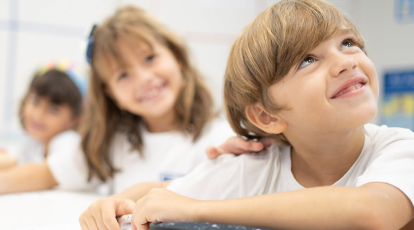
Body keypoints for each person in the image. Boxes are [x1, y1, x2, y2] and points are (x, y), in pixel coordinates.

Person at [80, 1, 414, 229]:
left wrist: (197, 210)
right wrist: (115, 203)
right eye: (308, 60)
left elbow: (371, 212)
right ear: (267, 117)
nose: (347, 61)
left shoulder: (399, 148)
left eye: (347, 43)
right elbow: (163, 192)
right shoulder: (256, 164)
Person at [0, 6, 234, 195]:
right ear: (111, 95)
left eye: (150, 58)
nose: (144, 79)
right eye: (123, 75)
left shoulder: (224, 142)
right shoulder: (112, 145)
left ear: (177, 56)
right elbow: (46, 173)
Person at [0, 61, 86, 170]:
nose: (38, 115)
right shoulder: (33, 143)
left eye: (53, 110)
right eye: (35, 102)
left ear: (75, 119)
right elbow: (10, 157)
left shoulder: (69, 143)